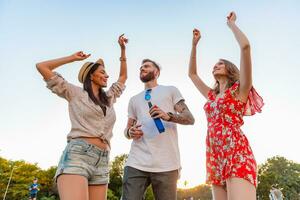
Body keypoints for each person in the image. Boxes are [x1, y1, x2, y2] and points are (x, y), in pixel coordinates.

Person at [36, 34, 128, 200]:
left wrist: (122, 50)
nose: (107, 76)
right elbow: (42, 66)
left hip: (103, 160)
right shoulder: (75, 93)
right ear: (91, 76)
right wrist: (72, 58)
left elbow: (122, 78)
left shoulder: (108, 99)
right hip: (78, 155)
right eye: (102, 72)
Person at [188, 12, 264, 200]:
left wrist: (231, 24)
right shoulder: (212, 96)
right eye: (214, 64)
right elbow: (192, 75)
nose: (215, 65)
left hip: (237, 153)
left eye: (220, 63)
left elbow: (245, 47)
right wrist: (194, 45)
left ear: (230, 69)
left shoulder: (240, 90)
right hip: (215, 155)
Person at [122, 59, 195, 200]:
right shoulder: (134, 99)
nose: (142, 68)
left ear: (157, 72)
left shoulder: (170, 90)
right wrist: (130, 132)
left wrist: (168, 116)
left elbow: (190, 118)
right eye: (141, 67)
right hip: (136, 162)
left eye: (147, 66)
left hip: (167, 163)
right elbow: (127, 130)